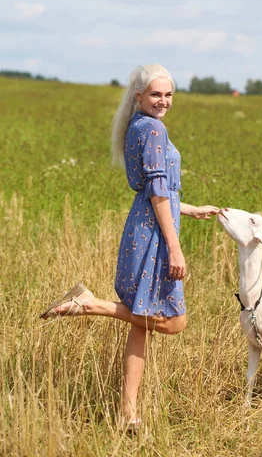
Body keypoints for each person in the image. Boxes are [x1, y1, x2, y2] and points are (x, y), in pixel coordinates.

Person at [40, 63, 220, 430]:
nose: (164, 101)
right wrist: (175, 246)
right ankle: (89, 304)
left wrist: (188, 207)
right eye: (156, 94)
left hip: (144, 223)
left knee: (142, 324)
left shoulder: (136, 125)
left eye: (169, 95)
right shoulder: (153, 127)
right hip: (153, 234)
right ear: (139, 96)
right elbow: (155, 190)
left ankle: (128, 414)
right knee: (173, 322)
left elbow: (157, 191)